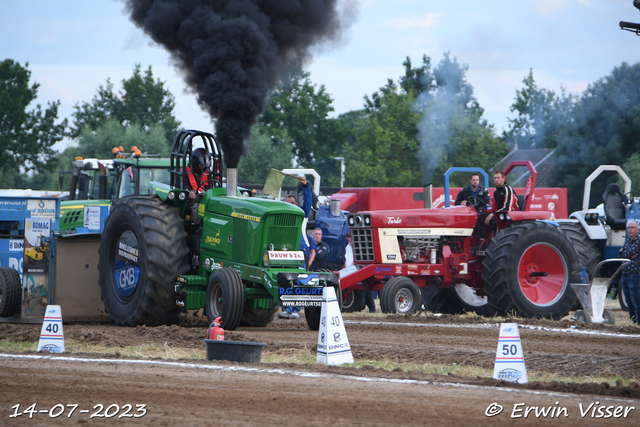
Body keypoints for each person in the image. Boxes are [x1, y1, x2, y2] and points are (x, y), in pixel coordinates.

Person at [278, 176, 314, 320]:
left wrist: (305, 185)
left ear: (297, 204)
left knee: (300, 280)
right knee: (285, 280)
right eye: (287, 203)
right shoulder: (281, 217)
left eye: (292, 203)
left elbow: (308, 201)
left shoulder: (302, 214)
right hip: (285, 252)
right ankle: (286, 308)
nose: (290, 205)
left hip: (299, 251)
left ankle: (296, 309)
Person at [343, 232, 376, 313]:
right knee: (365, 290)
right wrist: (344, 269)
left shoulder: (358, 247)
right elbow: (347, 259)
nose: (349, 239)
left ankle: (362, 306)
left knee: (363, 289)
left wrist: (351, 268)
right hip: (349, 270)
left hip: (356, 270)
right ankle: (372, 309)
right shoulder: (347, 247)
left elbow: (356, 260)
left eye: (350, 237)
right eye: (347, 237)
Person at [455, 172, 490, 238]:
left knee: (481, 218)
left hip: (480, 213)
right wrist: (461, 203)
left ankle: (482, 239)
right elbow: (456, 203)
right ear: (470, 180)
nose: (475, 182)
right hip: (467, 214)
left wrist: (480, 210)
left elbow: (487, 203)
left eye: (477, 180)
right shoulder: (464, 190)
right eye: (474, 180)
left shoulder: (484, 190)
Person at [620, 221, 640, 324]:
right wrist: (626, 253)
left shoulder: (638, 241)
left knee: (636, 300)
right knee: (628, 301)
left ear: (638, 229)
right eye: (629, 227)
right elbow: (622, 252)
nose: (630, 229)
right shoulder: (627, 241)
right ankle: (633, 321)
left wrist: (625, 253)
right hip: (625, 274)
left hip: (634, 274)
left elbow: (629, 252)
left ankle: (639, 322)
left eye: (632, 227)